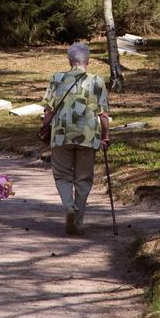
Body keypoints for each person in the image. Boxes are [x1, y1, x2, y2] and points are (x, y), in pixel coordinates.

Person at [40, 42, 110, 235]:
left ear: (69, 61)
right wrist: (105, 136)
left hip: (61, 135)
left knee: (62, 176)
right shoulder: (97, 81)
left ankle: (69, 207)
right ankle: (77, 220)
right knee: (83, 179)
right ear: (87, 61)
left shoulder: (57, 78)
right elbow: (103, 115)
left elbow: (48, 111)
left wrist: (45, 128)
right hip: (88, 136)